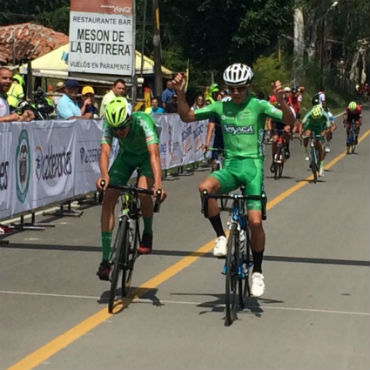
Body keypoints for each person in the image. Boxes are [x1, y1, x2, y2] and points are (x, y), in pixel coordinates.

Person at [172, 63, 295, 297]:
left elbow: (289, 120)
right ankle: (220, 236)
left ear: (248, 86)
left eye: (240, 88)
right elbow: (187, 116)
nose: (236, 93)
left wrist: (281, 100)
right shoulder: (221, 106)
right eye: (231, 88)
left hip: (253, 168)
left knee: (256, 222)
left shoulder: (258, 105)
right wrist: (180, 93)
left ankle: (257, 271)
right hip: (230, 166)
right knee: (205, 189)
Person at [96, 97, 166, 280]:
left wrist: (158, 184)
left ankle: (148, 231)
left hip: (145, 158)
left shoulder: (144, 121)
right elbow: (104, 151)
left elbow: (154, 154)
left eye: (122, 128)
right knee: (109, 197)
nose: (119, 133)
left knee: (143, 192)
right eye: (115, 129)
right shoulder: (110, 124)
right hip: (126, 157)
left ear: (130, 120)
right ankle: (105, 261)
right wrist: (104, 175)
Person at [299, 104, 331, 176]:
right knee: (306, 135)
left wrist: (324, 132)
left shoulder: (325, 115)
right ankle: (306, 150)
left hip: (319, 129)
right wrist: (300, 133)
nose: (316, 119)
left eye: (317, 118)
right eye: (314, 117)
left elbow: (329, 127)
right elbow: (302, 123)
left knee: (320, 148)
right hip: (310, 126)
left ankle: (321, 166)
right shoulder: (310, 113)